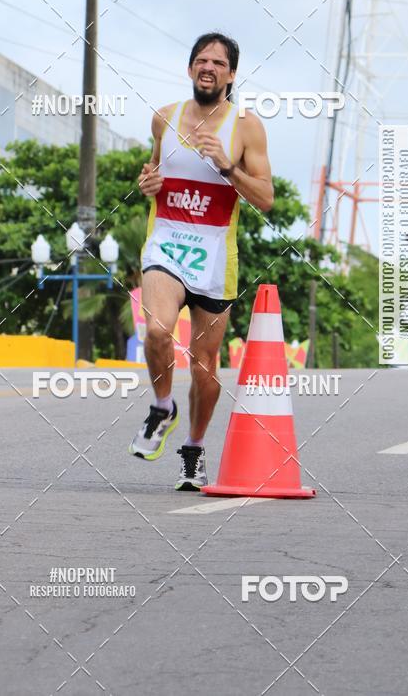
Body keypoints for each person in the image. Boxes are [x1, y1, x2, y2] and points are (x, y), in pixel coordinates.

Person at [129, 32, 274, 490]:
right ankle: (162, 407)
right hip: (167, 244)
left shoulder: (246, 127)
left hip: (214, 256)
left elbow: (266, 198)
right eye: (201, 60)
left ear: (231, 75)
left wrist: (228, 167)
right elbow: (154, 171)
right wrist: (147, 184)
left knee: (204, 363)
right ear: (190, 68)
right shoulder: (164, 118)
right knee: (157, 330)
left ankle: (192, 448)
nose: (208, 67)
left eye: (218, 62)